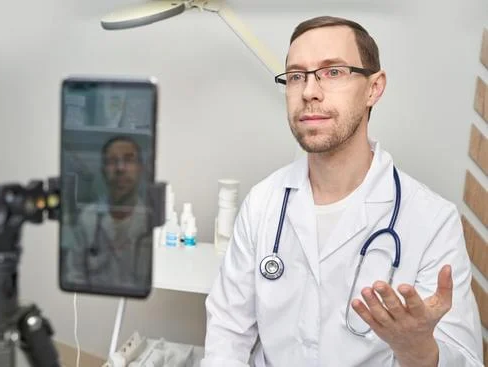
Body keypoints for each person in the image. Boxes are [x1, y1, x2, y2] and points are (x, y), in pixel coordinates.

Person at [201, 16, 484, 367]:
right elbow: (228, 333)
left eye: (333, 72)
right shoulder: (262, 204)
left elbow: (467, 360)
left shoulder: (432, 221)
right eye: (295, 76)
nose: (309, 91)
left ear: (373, 88)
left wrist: (418, 350)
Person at [62, 135, 152, 291]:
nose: (120, 168)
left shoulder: (150, 222)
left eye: (129, 160)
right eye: (112, 161)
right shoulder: (88, 218)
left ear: (141, 168)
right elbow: (74, 275)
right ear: (103, 170)